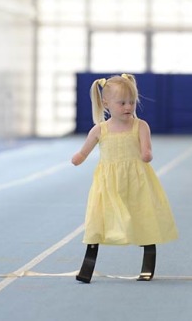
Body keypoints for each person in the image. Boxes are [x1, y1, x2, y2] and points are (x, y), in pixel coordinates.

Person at [72, 74, 178, 282]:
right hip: (107, 183)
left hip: (137, 181)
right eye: (122, 103)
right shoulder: (100, 130)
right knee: (98, 218)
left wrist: (146, 153)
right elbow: (85, 150)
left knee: (143, 215)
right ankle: (88, 264)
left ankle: (147, 262)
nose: (128, 107)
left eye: (131, 102)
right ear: (106, 103)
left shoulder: (141, 126)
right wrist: (80, 157)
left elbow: (146, 149)